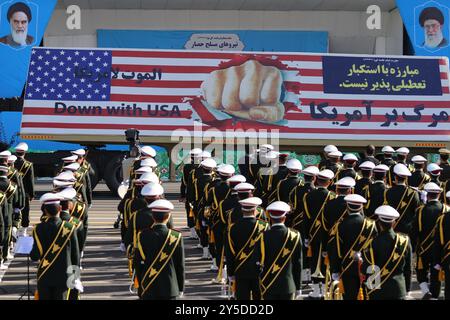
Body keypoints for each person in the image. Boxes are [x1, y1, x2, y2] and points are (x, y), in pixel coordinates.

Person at [30, 193, 81, 300]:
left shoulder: (37, 229)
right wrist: (75, 278)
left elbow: (35, 256)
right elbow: (75, 256)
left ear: (45, 211)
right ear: (60, 209)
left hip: (45, 275)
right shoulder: (70, 227)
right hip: (64, 277)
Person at [328, 194, 377, 300]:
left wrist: (335, 270)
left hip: (347, 268)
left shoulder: (341, 225)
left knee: (349, 296)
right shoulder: (372, 225)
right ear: (361, 207)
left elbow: (336, 250)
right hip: (368, 268)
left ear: (347, 206)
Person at [133, 199, 184, 300]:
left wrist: (140, 286)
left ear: (152, 217)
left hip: (148, 286)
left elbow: (137, 264)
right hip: (171, 288)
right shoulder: (176, 236)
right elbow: (180, 265)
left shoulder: (143, 235)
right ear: (168, 216)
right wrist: (180, 287)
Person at [362, 205, 412, 300]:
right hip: (398, 289)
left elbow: (368, 268)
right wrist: (407, 288)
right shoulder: (404, 240)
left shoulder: (372, 242)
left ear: (379, 222)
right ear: (394, 223)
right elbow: (408, 268)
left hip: (377, 289)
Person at [225, 197, 268, 300]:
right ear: (255, 210)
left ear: (242, 210)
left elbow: (230, 252)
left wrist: (230, 273)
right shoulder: (264, 226)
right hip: (259, 270)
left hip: (240, 269)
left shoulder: (232, 228)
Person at [411, 182, 447, 300]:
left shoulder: (420, 211)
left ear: (428, 195)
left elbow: (415, 231)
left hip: (424, 249)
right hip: (442, 249)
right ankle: (434, 296)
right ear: (439, 194)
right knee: (436, 273)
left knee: (421, 272)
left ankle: (426, 291)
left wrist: (413, 248)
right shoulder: (446, 209)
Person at [259, 201, 302, 300]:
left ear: (270, 217)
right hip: (288, 286)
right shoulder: (295, 235)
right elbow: (298, 263)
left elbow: (258, 262)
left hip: (267, 285)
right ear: (285, 217)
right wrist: (298, 287)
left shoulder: (262, 236)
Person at [303, 169, 335, 299]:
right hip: (328, 234)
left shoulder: (308, 195)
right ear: (330, 182)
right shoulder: (333, 197)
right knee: (326, 262)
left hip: (313, 234)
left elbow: (306, 218)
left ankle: (316, 291)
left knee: (314, 259)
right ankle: (325, 289)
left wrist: (306, 236)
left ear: (316, 180)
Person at [383, 164, 421, 237]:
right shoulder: (413, 193)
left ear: (395, 177)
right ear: (406, 178)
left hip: (392, 229)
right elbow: (417, 212)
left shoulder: (387, 192)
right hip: (407, 230)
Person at [179, 148, 202, 239]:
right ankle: (200, 234)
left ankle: (193, 233)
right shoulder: (204, 167)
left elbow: (184, 182)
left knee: (190, 212)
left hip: (190, 193)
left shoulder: (187, 167)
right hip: (203, 195)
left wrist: (182, 195)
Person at [432, 191, 450, 300]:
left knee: (448, 287)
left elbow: (437, 242)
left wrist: (437, 261)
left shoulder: (442, 219)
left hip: (447, 257)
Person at [14, 142, 34, 228]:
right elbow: (30, 181)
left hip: (12, 191)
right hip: (24, 192)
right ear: (25, 153)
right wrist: (31, 194)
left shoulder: (11, 163)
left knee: (12, 209)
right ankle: (24, 229)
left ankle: (14, 227)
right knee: (25, 210)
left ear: (16, 152)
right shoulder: (28, 165)